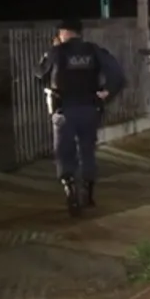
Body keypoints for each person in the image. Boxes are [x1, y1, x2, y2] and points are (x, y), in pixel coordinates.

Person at [36, 19, 126, 217]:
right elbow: (117, 75)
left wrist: (52, 54)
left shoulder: (57, 51)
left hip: (64, 111)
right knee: (87, 149)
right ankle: (89, 193)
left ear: (64, 32)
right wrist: (107, 93)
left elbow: (39, 74)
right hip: (90, 109)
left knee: (64, 151)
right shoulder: (94, 51)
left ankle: (71, 192)